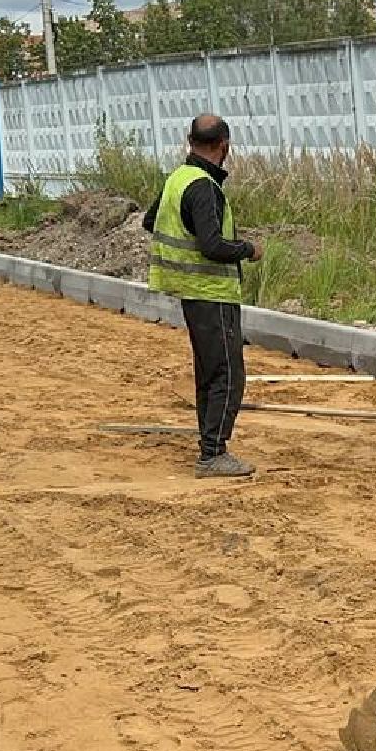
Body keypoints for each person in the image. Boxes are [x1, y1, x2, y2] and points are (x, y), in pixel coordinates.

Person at [142, 114, 261, 478]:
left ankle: (210, 446)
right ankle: (213, 454)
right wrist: (247, 249)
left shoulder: (178, 178)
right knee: (227, 373)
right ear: (224, 144)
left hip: (192, 292)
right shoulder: (204, 186)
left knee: (210, 371)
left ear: (188, 140)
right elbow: (212, 245)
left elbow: (151, 221)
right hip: (212, 292)